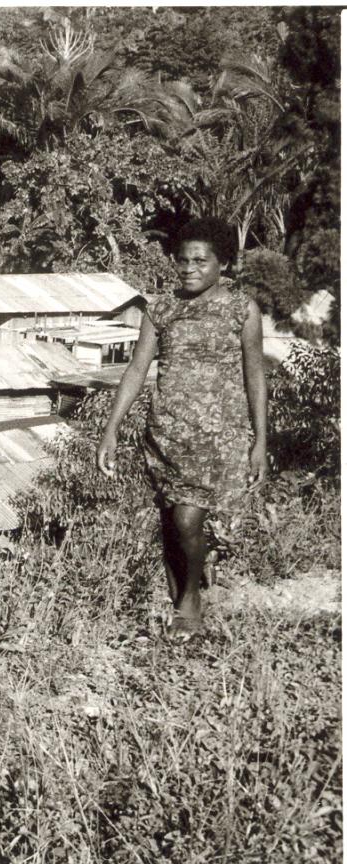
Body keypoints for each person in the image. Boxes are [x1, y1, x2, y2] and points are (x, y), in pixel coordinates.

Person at [96, 217, 268, 639]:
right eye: (182, 260)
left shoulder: (242, 308)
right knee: (171, 522)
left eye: (200, 261)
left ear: (222, 264)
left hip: (218, 437)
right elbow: (137, 369)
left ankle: (190, 603)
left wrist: (261, 440)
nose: (189, 268)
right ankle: (183, 593)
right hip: (166, 434)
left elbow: (255, 376)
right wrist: (111, 429)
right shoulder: (161, 309)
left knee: (188, 520)